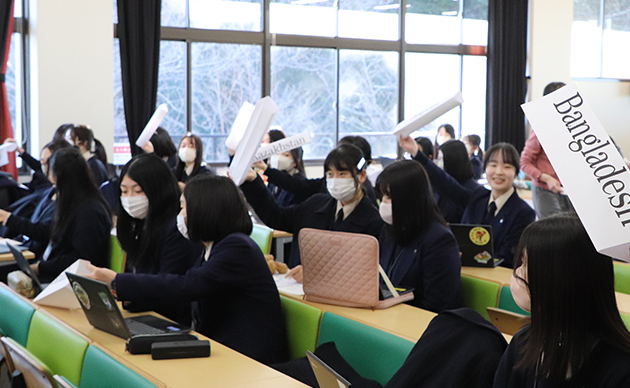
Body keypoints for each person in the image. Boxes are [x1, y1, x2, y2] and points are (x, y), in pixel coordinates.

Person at [473, 215, 630, 388]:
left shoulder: (627, 375)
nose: (517, 272)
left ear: (560, 278)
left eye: (526, 264)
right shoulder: (525, 342)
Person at [88, 175, 287, 365]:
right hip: (225, 349)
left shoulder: (237, 247)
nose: (180, 215)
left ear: (205, 210)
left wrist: (118, 280)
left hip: (250, 358)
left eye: (184, 207)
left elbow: (187, 286)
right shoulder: (214, 246)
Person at [239, 144, 383, 270]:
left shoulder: (373, 221)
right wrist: (253, 182)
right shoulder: (316, 204)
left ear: (361, 176)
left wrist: (315, 274)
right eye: (330, 174)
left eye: (342, 174)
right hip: (296, 289)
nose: (335, 180)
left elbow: (362, 270)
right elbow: (277, 217)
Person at [401, 134, 535, 268]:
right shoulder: (477, 197)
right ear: (485, 169)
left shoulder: (524, 212)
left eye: (507, 166)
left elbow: (508, 257)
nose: (499, 172)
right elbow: (445, 182)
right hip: (462, 270)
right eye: (493, 165)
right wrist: (417, 153)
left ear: (516, 172)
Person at [115, 154, 203, 324]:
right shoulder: (140, 224)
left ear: (157, 189)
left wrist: (122, 287)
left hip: (170, 320)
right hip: (145, 315)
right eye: (124, 191)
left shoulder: (177, 229)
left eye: (138, 191)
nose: (130, 198)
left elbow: (170, 289)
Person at [375, 160, 463, 312]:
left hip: (422, 321)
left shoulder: (439, 240)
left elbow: (438, 305)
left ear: (409, 198)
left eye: (389, 196)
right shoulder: (388, 230)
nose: (383, 202)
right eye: (382, 195)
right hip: (389, 315)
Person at [21, 147, 113, 283]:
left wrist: (40, 267)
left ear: (57, 177)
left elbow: (81, 260)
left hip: (71, 282)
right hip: (57, 275)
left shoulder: (90, 211)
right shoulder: (72, 202)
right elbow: (50, 231)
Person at [0, 139, 72, 258]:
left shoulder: (67, 199)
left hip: (39, 258)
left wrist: (8, 218)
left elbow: (46, 232)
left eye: (48, 164)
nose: (45, 169)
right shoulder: (49, 193)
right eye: (43, 163)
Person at [521, 82, 575, 219]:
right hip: (545, 190)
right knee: (553, 229)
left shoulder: (574, 129)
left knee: (572, 229)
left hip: (570, 190)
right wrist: (546, 178)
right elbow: (524, 163)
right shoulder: (541, 129)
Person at [434, 140, 480, 224]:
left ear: (451, 160)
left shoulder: (471, 189)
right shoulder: (440, 186)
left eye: (441, 159)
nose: (438, 163)